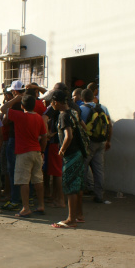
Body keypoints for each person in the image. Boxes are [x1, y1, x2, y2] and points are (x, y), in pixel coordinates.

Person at [1, 92, 47, 218]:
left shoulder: (20, 116)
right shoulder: (38, 117)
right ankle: (41, 205)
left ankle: (26, 208)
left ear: (22, 106)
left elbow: (3, 109)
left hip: (23, 152)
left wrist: (15, 99)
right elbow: (44, 136)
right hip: (36, 151)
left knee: (23, 181)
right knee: (38, 179)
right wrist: (42, 151)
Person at [51, 89, 85, 228]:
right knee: (78, 185)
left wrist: (62, 149)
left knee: (70, 185)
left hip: (71, 154)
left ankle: (71, 219)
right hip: (79, 152)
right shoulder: (74, 112)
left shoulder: (63, 115)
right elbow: (82, 127)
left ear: (56, 102)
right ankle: (79, 215)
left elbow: (68, 135)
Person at [80, 88, 112, 203]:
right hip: (102, 141)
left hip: (89, 143)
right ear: (93, 97)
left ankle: (80, 193)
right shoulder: (103, 108)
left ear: (82, 98)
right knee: (99, 169)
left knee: (83, 166)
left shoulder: (81, 109)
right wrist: (108, 140)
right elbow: (109, 125)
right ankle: (99, 195)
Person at [0, 80, 27, 211]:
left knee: (13, 171)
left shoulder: (16, 106)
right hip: (28, 141)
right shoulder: (31, 103)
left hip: (14, 139)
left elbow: (4, 113)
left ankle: (15, 198)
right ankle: (29, 199)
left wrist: (14, 100)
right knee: (27, 172)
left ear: (15, 92)